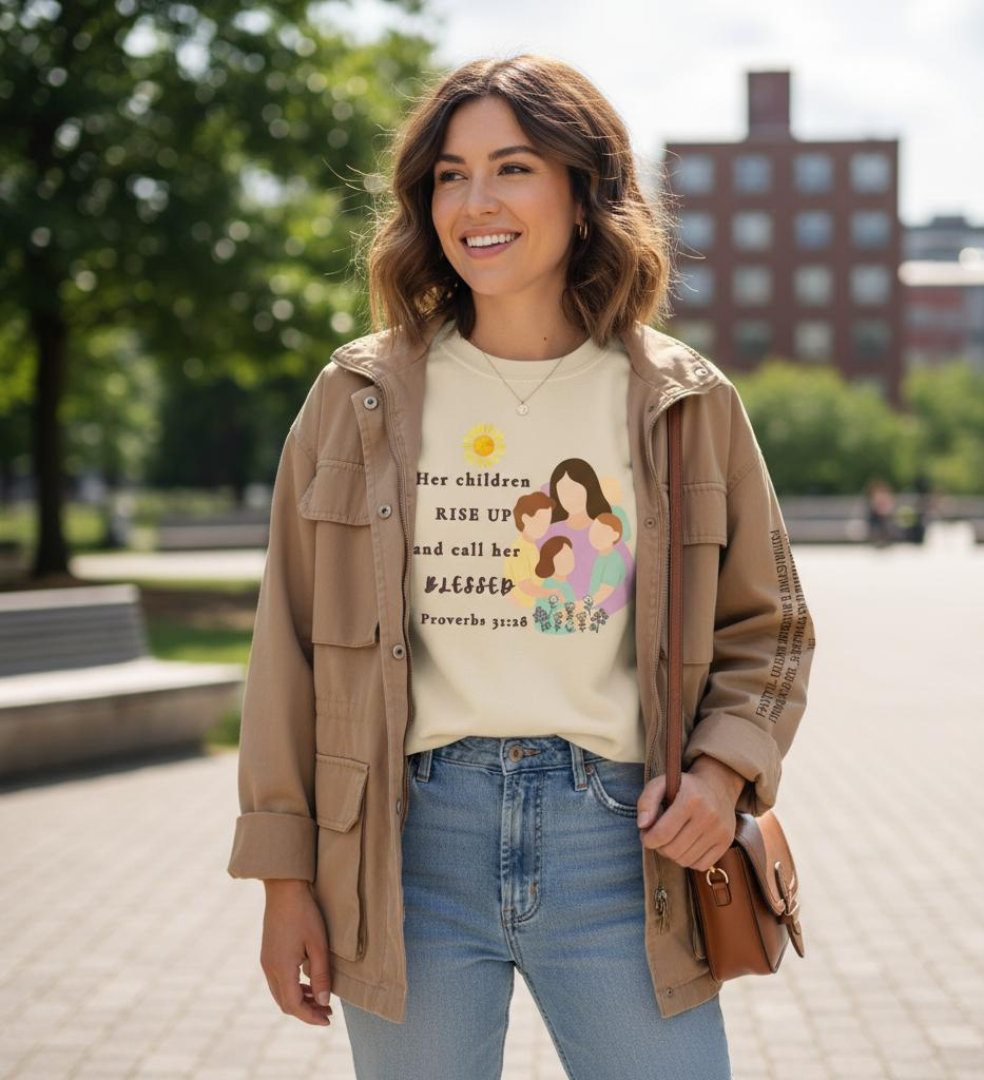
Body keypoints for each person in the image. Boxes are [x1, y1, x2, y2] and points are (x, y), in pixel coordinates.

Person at [226, 54, 817, 1080]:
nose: (475, 202)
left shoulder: (684, 399)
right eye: (449, 175)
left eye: (513, 167)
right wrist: (284, 881)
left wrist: (722, 777)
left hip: (624, 850)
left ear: (585, 194)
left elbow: (770, 627)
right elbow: (287, 644)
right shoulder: (356, 394)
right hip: (407, 849)